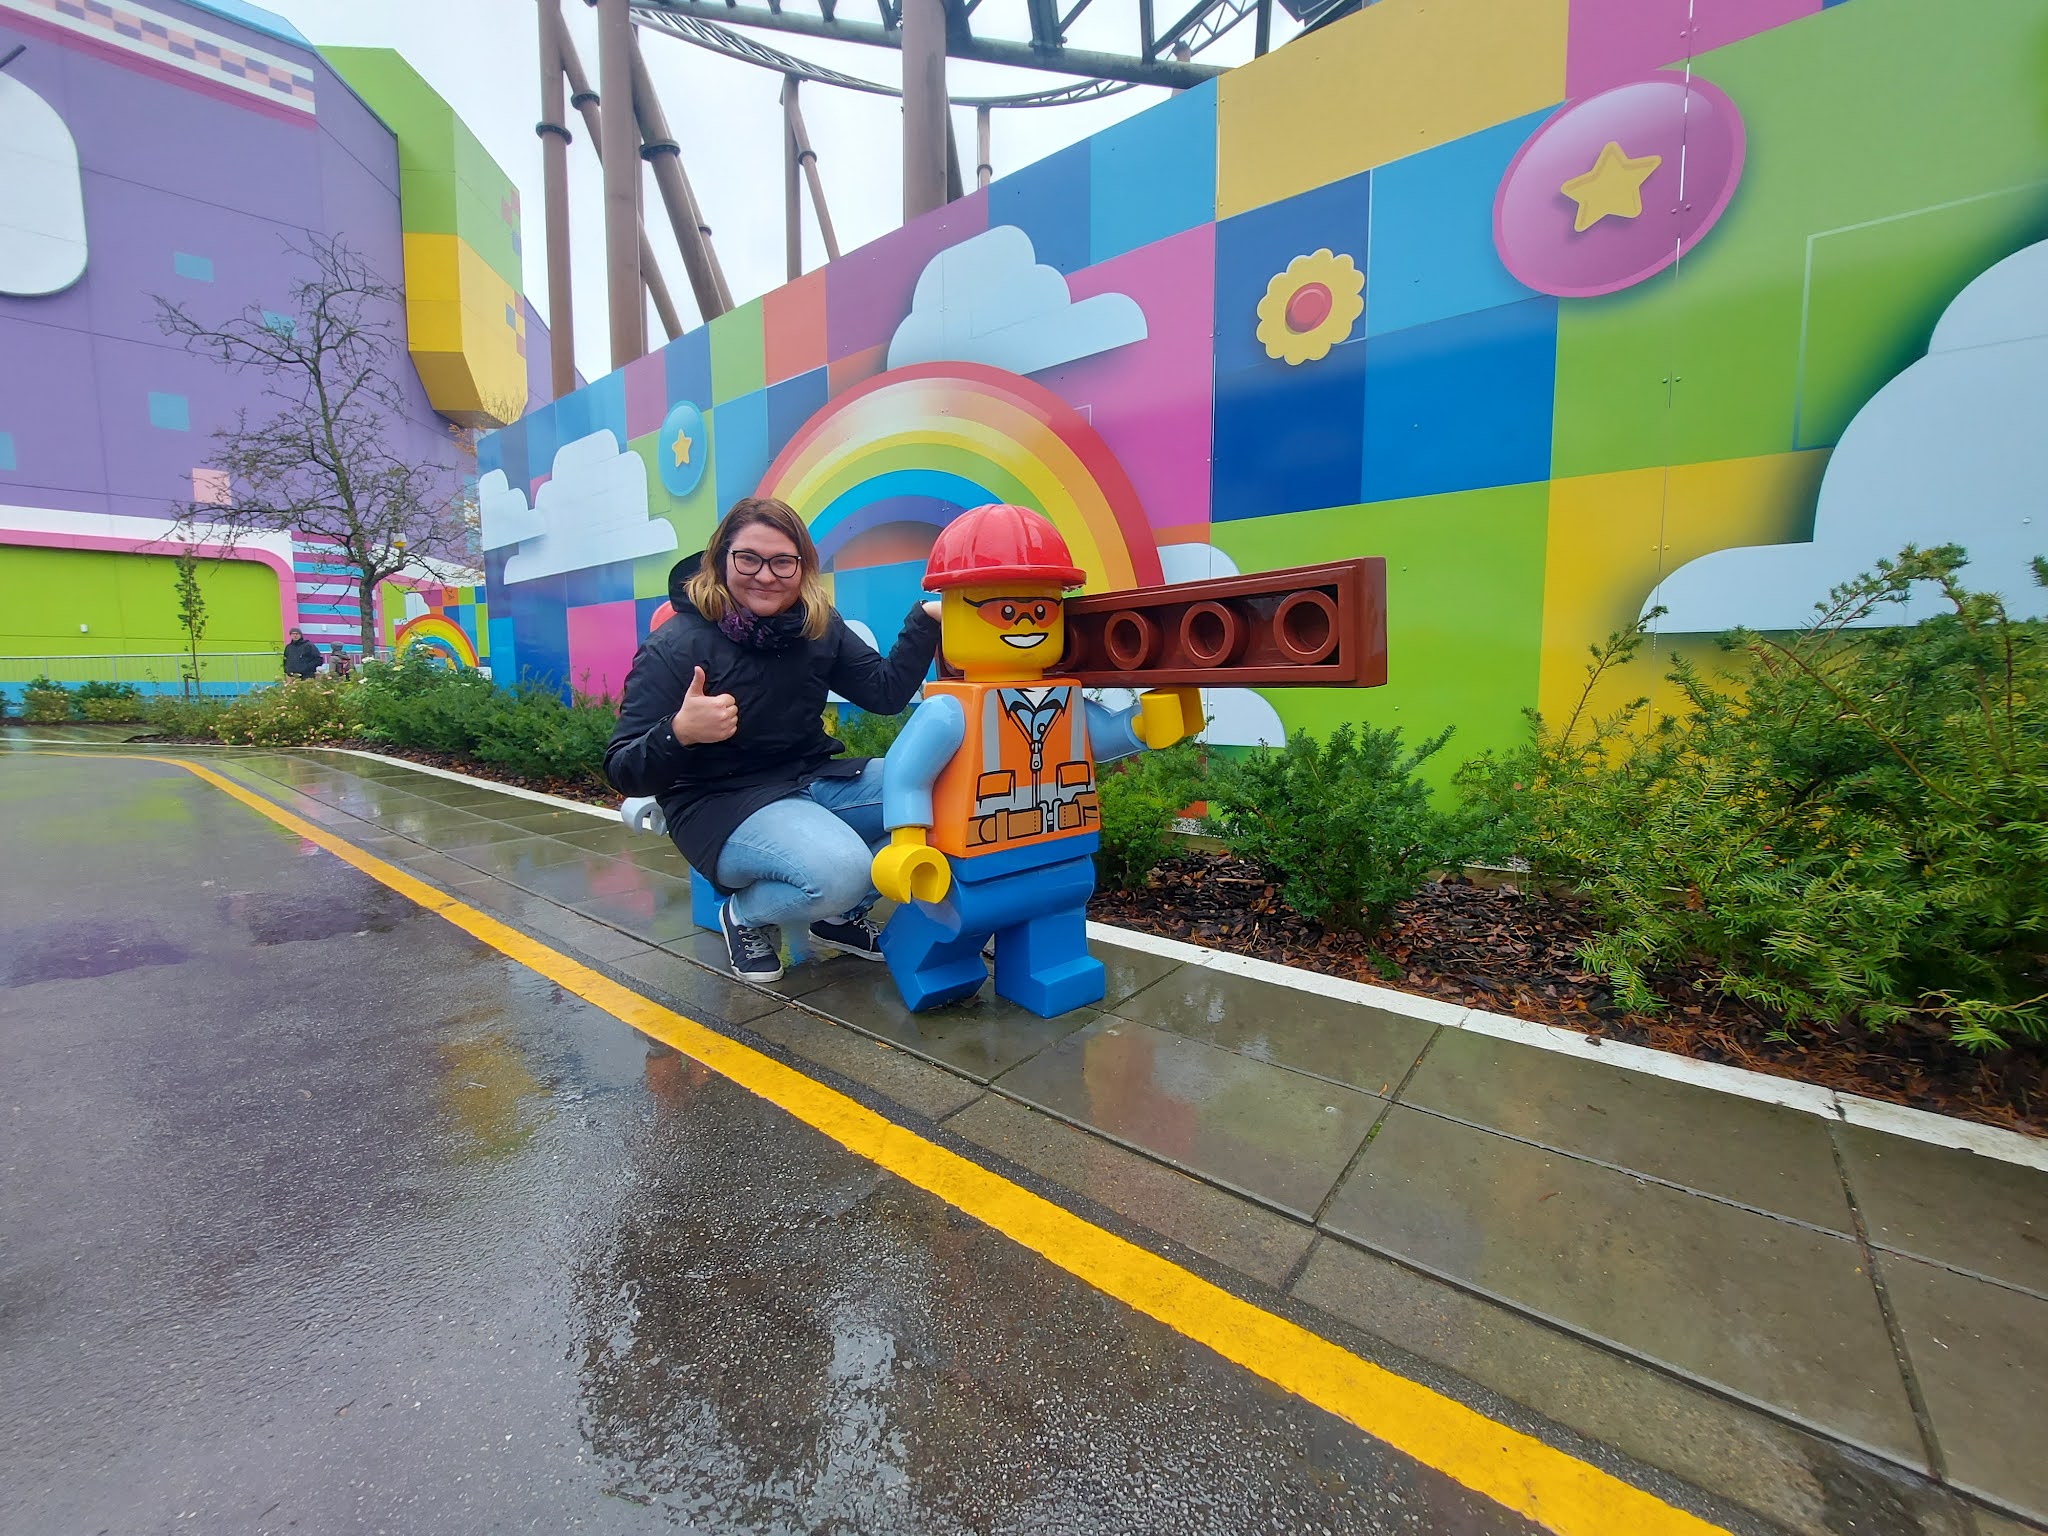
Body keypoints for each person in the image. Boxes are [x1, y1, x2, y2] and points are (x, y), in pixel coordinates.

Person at [605, 497, 941, 983]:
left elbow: (885, 693)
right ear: (721, 559)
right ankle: (744, 915)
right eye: (749, 559)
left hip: (810, 780)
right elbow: (622, 767)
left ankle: (838, 916)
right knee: (841, 871)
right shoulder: (676, 644)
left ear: (802, 567)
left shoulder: (816, 625)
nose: (765, 576)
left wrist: (926, 619)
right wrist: (679, 732)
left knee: (944, 798)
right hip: (720, 803)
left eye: (782, 562)